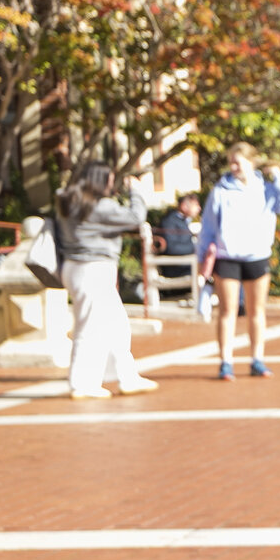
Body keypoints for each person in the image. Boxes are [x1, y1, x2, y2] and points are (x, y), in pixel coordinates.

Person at [57, 161, 159, 400]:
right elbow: (135, 217)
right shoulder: (99, 206)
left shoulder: (67, 201)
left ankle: (127, 376)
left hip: (75, 268)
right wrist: (136, 192)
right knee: (88, 327)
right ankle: (82, 384)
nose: (112, 185)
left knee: (116, 325)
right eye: (110, 180)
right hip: (93, 269)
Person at [196, 142, 280, 381]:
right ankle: (225, 362)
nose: (233, 166)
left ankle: (257, 359)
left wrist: (278, 175)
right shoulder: (221, 190)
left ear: (251, 163)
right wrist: (202, 261)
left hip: (257, 255)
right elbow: (208, 227)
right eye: (230, 161)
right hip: (227, 256)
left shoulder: (266, 188)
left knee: (256, 310)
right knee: (227, 311)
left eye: (237, 161)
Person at [153, 192, 201, 280]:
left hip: (187, 265)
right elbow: (171, 248)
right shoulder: (170, 221)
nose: (199, 208)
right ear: (184, 206)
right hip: (177, 270)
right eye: (195, 205)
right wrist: (196, 247)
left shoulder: (182, 221)